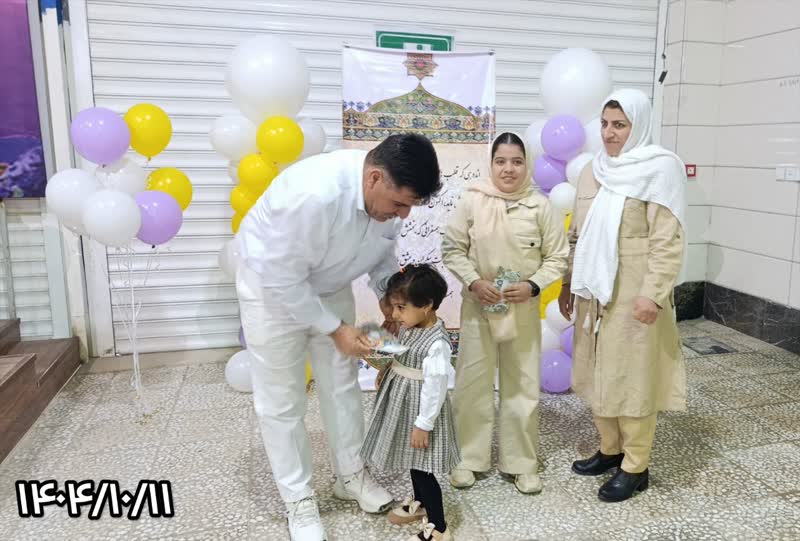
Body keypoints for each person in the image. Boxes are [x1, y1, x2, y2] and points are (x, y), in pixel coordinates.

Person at [236, 133, 441, 540]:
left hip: (330, 286)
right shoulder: (311, 196)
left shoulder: (386, 200)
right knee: (282, 401)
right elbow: (281, 276)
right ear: (374, 178)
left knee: (342, 385)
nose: (402, 215)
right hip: (271, 290)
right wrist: (334, 328)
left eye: (409, 207)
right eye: (399, 204)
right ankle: (298, 499)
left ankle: (350, 475)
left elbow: (382, 255)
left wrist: (389, 295)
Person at [559, 89, 687, 502]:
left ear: (639, 126)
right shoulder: (593, 171)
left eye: (620, 125)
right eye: (605, 124)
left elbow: (667, 241)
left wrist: (652, 294)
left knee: (633, 376)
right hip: (593, 290)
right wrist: (567, 281)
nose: (609, 133)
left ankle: (635, 466)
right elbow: (577, 235)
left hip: (634, 292)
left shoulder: (660, 168)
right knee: (599, 370)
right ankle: (610, 449)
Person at [442, 132, 569, 494]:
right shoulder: (472, 200)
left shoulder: (540, 206)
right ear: (491, 163)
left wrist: (533, 285)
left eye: (516, 161)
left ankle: (522, 463)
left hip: (521, 309)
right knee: (472, 383)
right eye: (501, 161)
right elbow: (452, 248)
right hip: (478, 307)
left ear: (526, 165)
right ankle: (469, 459)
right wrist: (473, 282)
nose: (508, 169)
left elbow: (558, 256)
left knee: (522, 385)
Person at [361, 264, 459, 541]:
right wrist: (386, 367)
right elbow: (402, 354)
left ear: (426, 305)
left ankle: (438, 527)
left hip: (420, 411)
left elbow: (435, 387)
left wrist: (423, 424)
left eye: (401, 308)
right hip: (404, 403)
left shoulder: (437, 344)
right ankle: (421, 504)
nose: (394, 314)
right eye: (394, 307)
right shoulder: (411, 325)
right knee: (411, 460)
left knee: (422, 468)